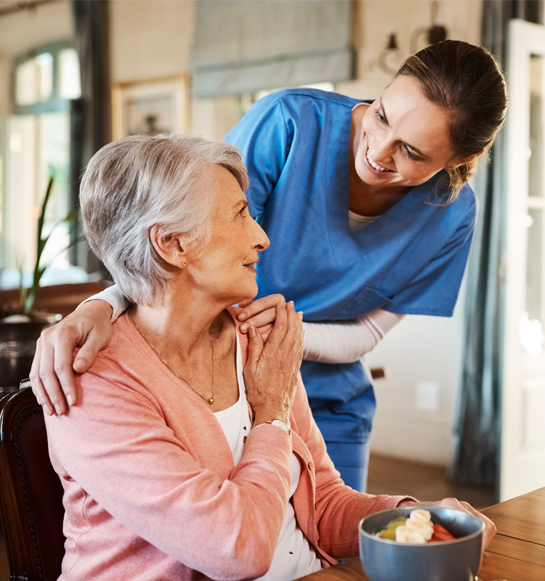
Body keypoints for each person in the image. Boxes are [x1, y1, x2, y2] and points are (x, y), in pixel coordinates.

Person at [31, 40, 508, 492]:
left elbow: (368, 334)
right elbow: (178, 237)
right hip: (216, 380)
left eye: (411, 151)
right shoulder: (289, 123)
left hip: (327, 399)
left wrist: (285, 341)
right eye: (381, 116)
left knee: (332, 552)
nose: (378, 151)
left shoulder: (451, 216)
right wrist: (103, 304)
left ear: (462, 159)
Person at [42, 133, 496, 580]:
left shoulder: (255, 341)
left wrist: (413, 518)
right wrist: (272, 414)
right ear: (173, 245)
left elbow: (322, 505)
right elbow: (239, 549)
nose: (261, 237)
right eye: (240, 215)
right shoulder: (91, 380)